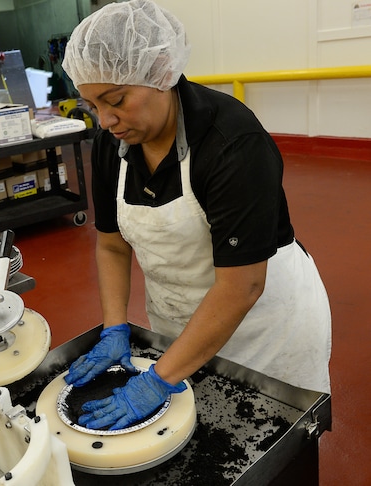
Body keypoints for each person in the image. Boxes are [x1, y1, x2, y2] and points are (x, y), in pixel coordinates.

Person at [60, 0, 332, 431]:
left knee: (270, 443)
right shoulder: (114, 141)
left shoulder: (232, 142)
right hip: (182, 322)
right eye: (92, 105)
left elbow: (242, 286)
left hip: (263, 326)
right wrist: (115, 328)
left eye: (116, 100)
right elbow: (111, 243)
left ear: (162, 72)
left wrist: (157, 381)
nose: (106, 120)